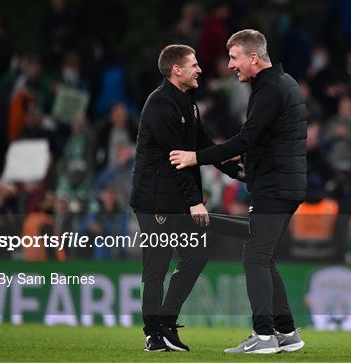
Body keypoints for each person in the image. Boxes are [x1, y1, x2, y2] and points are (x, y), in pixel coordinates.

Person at [170, 29, 307, 354]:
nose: (230, 65)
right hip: (281, 182)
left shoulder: (270, 88)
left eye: (234, 57)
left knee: (255, 257)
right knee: (265, 257)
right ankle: (286, 332)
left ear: (253, 58)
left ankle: (263, 336)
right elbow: (264, 140)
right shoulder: (280, 83)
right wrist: (243, 165)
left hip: (275, 186)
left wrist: (197, 158)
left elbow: (247, 138)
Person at [129, 44, 243, 352]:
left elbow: (200, 144)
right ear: (176, 69)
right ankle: (154, 335)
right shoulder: (160, 105)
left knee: (197, 255)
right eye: (194, 64)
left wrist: (233, 169)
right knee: (156, 268)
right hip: (155, 201)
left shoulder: (187, 102)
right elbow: (175, 160)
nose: (200, 69)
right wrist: (195, 201)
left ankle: (166, 323)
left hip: (177, 198)